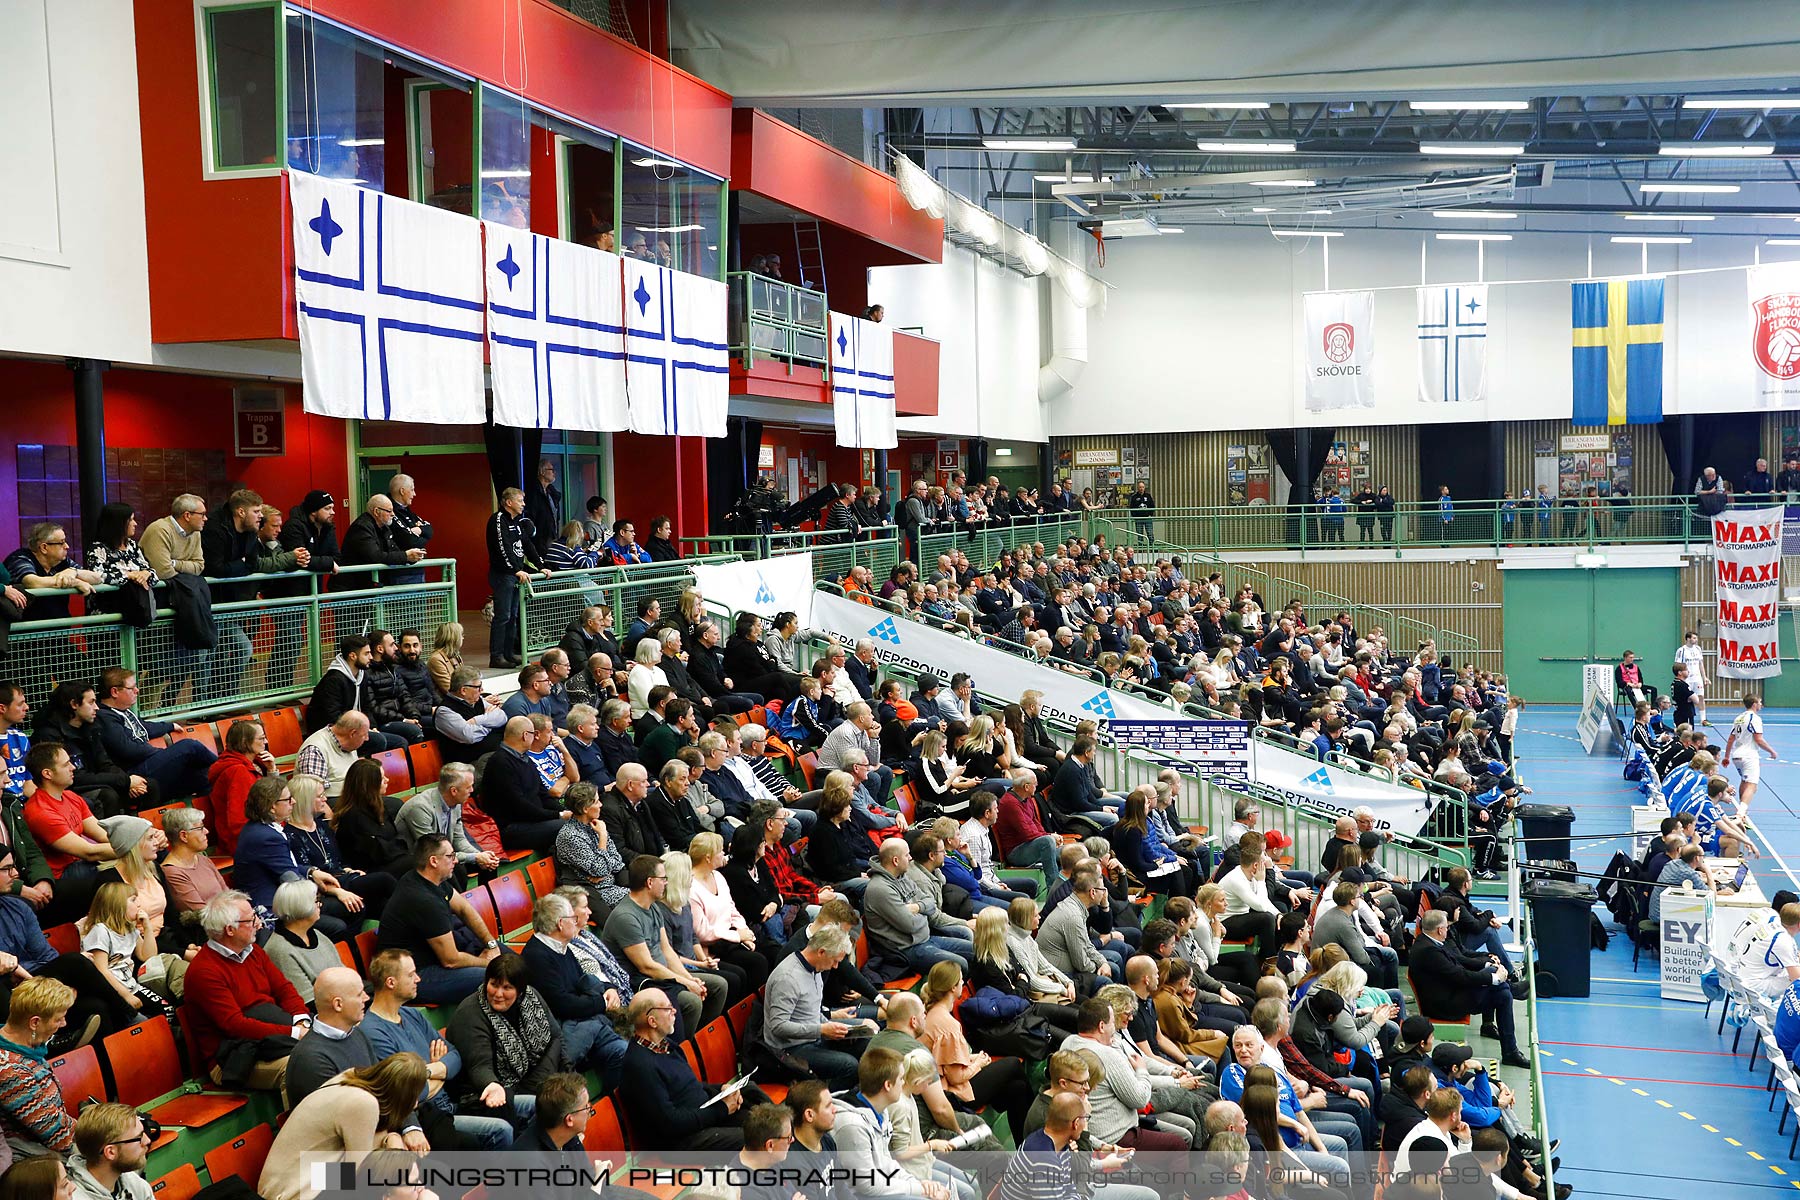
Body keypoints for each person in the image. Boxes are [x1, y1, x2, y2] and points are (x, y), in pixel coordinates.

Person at [360, 948, 532, 1150]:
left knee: (535, 1106)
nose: (418, 979)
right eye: (411, 975)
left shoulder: (410, 1015)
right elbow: (407, 1093)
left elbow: (455, 1056)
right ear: (391, 982)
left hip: (454, 1100)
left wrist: (429, 1071)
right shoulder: (372, 1032)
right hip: (430, 1117)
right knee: (500, 1130)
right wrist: (440, 1073)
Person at [184, 891, 310, 1092]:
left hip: (270, 1040)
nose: (259, 923)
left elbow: (284, 989)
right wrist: (294, 1033)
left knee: (326, 1049)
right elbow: (235, 1026)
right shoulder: (204, 972)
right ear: (230, 930)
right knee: (301, 1067)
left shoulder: (254, 952)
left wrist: (301, 1020)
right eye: (251, 920)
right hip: (233, 1059)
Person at [258, 1054, 427, 1200]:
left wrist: (392, 1139)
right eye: (415, 1096)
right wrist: (392, 1144)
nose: (416, 1103)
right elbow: (362, 1175)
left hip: (305, 1175)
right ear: (403, 1095)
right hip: (294, 1190)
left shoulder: (355, 1077)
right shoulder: (363, 1103)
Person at [618, 991, 768, 1151]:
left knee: (756, 1105)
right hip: (681, 1141)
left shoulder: (667, 1045)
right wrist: (722, 1109)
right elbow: (671, 1123)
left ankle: (787, 1130)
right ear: (652, 1021)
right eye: (668, 1008)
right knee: (756, 1139)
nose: (674, 1011)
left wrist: (722, 1089)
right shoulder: (640, 1066)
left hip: (702, 1116)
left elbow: (691, 1086)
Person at [603, 853, 724, 1036]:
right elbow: (647, 966)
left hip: (664, 974)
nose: (667, 882)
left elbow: (667, 951)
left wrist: (690, 979)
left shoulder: (653, 907)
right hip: (644, 982)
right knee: (691, 1001)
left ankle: (701, 1042)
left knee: (718, 985)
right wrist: (685, 982)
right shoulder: (626, 917)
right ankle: (683, 1047)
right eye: (663, 878)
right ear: (650, 882)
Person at [919, 960, 1036, 1142]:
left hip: (949, 1085)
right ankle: (1037, 1135)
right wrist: (979, 1063)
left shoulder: (934, 1014)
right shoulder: (946, 1024)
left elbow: (948, 1061)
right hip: (953, 1095)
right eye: (960, 981)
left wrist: (972, 1058)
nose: (963, 983)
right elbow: (956, 1077)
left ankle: (1027, 1147)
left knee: (1017, 1088)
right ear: (952, 988)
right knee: (1013, 1064)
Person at [521, 893, 630, 1085]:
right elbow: (562, 1004)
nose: (577, 921)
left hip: (585, 1021)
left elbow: (583, 981)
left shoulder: (563, 947)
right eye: (573, 918)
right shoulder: (537, 956)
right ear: (560, 924)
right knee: (621, 1050)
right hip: (567, 1032)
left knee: (626, 1051)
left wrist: (609, 988)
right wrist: (602, 1003)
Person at [1413, 910, 1528, 1068]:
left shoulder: (1430, 943)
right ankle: (1510, 1051)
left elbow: (1458, 963)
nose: (1448, 930)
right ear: (1440, 930)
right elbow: (1459, 975)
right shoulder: (1430, 951)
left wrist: (1486, 964)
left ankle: (1510, 1051)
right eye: (1446, 927)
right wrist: (1494, 978)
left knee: (1503, 993)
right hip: (1445, 1005)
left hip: (1449, 992)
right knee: (1500, 988)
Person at [763, 924, 871, 1091]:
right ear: (821, 952)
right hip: (790, 1049)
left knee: (864, 1040)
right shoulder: (788, 978)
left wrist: (834, 1027)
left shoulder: (815, 969)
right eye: (835, 961)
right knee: (849, 1066)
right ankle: (824, 1103)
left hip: (813, 1037)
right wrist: (821, 1029)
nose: (835, 967)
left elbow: (812, 1010)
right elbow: (778, 1026)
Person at [20, 745, 114, 919]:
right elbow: (89, 852)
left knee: (148, 856)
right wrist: (134, 848)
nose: (73, 767)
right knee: (119, 871)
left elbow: (103, 834)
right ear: (47, 774)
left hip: (80, 863)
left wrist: (143, 838)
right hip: (61, 876)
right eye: (66, 764)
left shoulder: (71, 797)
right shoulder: (40, 812)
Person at [93, 669, 214, 803]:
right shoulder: (105, 717)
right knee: (190, 746)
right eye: (132, 688)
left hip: (149, 765)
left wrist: (169, 726)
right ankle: (228, 767)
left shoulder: (123, 711)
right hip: (135, 774)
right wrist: (159, 753)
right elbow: (127, 750)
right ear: (115, 692)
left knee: (205, 775)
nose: (137, 690)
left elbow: (144, 727)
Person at [28, 683, 143, 819]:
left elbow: (105, 763)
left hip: (94, 780)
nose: (97, 707)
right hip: (69, 787)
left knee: (146, 786)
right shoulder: (49, 736)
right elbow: (74, 777)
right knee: (108, 795)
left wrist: (127, 781)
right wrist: (124, 781)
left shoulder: (90, 727)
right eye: (91, 702)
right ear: (74, 704)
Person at [0, 977, 79, 1159]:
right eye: (58, 1019)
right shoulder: (10, 1070)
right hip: (39, 1162)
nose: (63, 1024)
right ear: (34, 1022)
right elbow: (58, 1137)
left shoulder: (27, 1048)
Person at [864, 839, 971, 974]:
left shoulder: (902, 876)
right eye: (907, 855)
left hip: (925, 939)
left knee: (976, 951)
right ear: (895, 861)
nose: (910, 858)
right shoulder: (880, 889)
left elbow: (930, 902)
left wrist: (918, 908)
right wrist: (924, 914)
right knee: (960, 964)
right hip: (906, 950)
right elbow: (911, 925)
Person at [395, 762, 499, 879]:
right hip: (420, 859)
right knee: (458, 870)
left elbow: (459, 838)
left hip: (444, 854)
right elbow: (432, 852)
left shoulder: (456, 801)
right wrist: (474, 857)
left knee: (488, 864)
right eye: (468, 787)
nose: (472, 790)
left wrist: (480, 855)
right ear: (454, 791)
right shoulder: (420, 808)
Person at [488, 488, 549, 668]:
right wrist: (516, 570)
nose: (523, 504)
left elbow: (527, 545)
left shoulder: (517, 522)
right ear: (509, 502)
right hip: (503, 575)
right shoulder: (498, 520)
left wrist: (541, 565)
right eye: (520, 500)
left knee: (513, 616)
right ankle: (496, 656)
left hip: (515, 576)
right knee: (503, 616)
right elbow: (502, 548)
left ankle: (508, 653)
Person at [261, 879, 339, 1005]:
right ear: (302, 907)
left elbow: (343, 974)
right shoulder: (280, 950)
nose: (320, 905)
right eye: (316, 901)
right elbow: (308, 1002)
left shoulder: (317, 935)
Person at [67, 1103, 152, 1200]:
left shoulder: (134, 1183)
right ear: (111, 1152)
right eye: (139, 1137)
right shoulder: (74, 1197)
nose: (147, 1141)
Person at [1725, 694, 1775, 815]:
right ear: (1754, 704)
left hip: (1737, 755)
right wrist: (1771, 751)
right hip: (1749, 755)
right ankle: (1741, 814)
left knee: (1745, 781)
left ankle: (1742, 811)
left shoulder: (1738, 718)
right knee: (1752, 785)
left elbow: (1731, 739)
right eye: (1760, 702)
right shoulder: (1755, 718)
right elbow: (1759, 739)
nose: (1761, 705)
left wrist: (1726, 756)